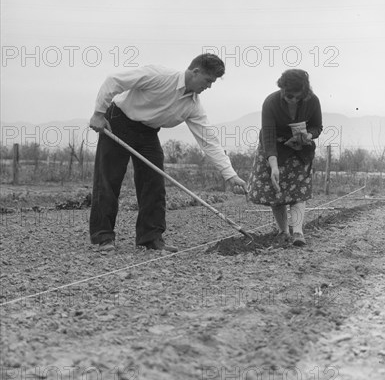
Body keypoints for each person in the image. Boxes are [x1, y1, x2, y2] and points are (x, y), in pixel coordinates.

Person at [89, 53, 247, 252]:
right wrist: (98, 113)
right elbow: (115, 80)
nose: (209, 86)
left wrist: (230, 175)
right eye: (208, 80)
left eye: (213, 82)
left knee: (154, 183)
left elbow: (209, 141)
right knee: (108, 180)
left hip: (148, 132)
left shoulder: (193, 106)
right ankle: (103, 237)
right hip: (118, 120)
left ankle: (150, 238)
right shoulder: (158, 75)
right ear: (195, 72)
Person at [248, 69, 323, 246]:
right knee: (277, 190)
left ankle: (298, 233)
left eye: (298, 97)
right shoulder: (271, 102)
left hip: (299, 150)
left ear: (305, 93)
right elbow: (268, 136)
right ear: (282, 89)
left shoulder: (313, 101)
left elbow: (317, 127)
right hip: (274, 148)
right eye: (290, 96)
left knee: (299, 191)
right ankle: (283, 232)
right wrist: (273, 165)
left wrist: (308, 136)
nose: (294, 100)